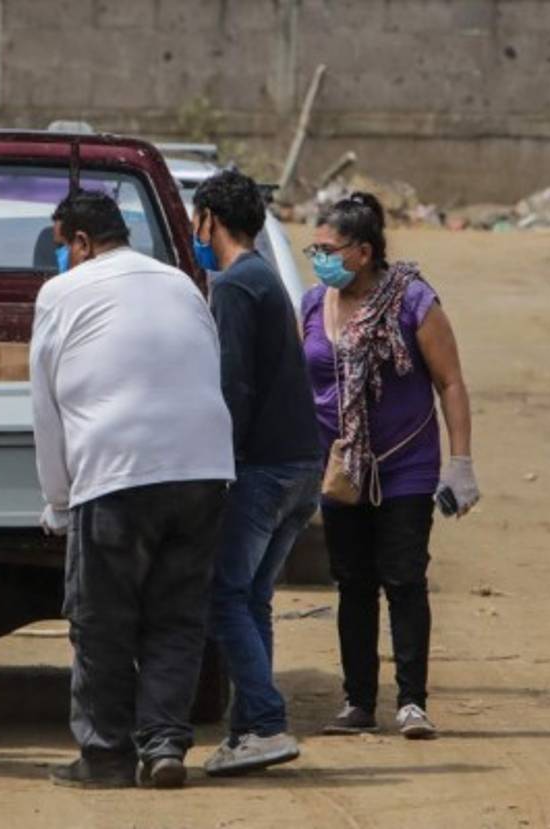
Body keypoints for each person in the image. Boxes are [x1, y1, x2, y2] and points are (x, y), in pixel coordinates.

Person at [30, 190, 234, 790]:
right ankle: (165, 745)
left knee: (101, 620)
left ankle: (105, 757)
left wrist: (59, 499)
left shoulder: (61, 294)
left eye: (60, 244)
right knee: (176, 617)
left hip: (116, 471)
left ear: (83, 243)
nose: (59, 258)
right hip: (202, 469)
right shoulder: (181, 284)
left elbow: (46, 407)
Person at [300, 192, 480, 740]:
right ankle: (357, 702)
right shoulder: (312, 304)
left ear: (363, 252)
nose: (319, 256)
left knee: (403, 579)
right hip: (341, 470)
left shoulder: (413, 302)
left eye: (328, 248)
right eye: (316, 247)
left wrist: (461, 462)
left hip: (405, 464)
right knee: (352, 583)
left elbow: (450, 382)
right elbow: (296, 384)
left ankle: (411, 702)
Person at [192, 171, 323, 775]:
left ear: (209, 219)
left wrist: (218, 465)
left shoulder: (236, 286)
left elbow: (233, 384)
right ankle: (250, 730)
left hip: (263, 470)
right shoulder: (264, 276)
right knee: (253, 600)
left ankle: (266, 721)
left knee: (225, 599)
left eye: (198, 222)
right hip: (300, 466)